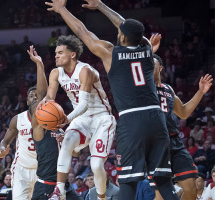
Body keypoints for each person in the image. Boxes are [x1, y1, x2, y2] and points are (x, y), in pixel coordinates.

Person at [45, 0, 177, 200]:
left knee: (127, 182)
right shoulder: (148, 49)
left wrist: (64, 9)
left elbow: (82, 32)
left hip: (132, 121)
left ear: (122, 36)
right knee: (164, 183)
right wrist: (101, 5)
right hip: (157, 119)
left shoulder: (111, 53)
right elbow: (129, 28)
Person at [41, 34, 116, 200]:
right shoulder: (55, 73)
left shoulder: (85, 71)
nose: (56, 56)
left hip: (101, 118)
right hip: (81, 119)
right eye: (55, 53)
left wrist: (65, 120)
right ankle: (59, 191)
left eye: (60, 52)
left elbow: (83, 104)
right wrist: (44, 105)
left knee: (96, 166)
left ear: (72, 54)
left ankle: (102, 197)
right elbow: (50, 100)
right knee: (66, 141)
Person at [153, 53, 213, 200]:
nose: (146, 67)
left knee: (191, 189)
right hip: (156, 144)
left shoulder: (168, 89)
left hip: (175, 142)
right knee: (160, 195)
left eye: (151, 64)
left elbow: (184, 113)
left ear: (160, 68)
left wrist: (200, 92)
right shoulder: (142, 89)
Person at [25, 46, 82, 200]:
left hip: (64, 186)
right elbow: (43, 95)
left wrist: (68, 143)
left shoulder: (60, 127)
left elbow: (77, 153)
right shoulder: (39, 129)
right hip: (46, 186)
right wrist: (40, 65)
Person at [0, 46, 42, 200]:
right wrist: (3, 148)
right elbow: (5, 141)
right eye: (31, 95)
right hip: (21, 168)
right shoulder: (18, 119)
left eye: (37, 95)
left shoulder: (48, 118)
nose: (34, 97)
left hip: (41, 169)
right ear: (27, 99)